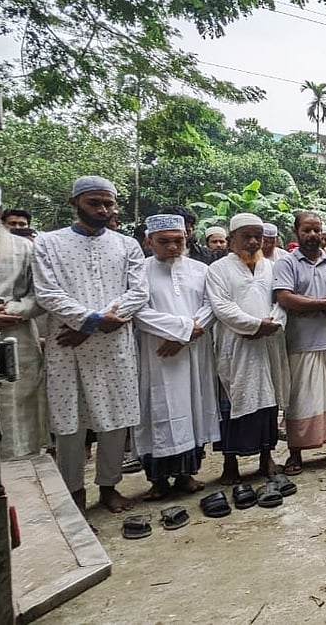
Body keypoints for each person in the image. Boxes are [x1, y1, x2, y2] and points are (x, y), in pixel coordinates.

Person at [33, 176, 148, 512]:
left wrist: (93, 325)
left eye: (108, 203)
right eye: (94, 203)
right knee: (70, 423)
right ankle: (73, 493)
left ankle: (109, 487)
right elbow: (47, 292)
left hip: (114, 345)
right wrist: (93, 321)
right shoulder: (48, 243)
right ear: (75, 203)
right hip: (68, 346)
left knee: (116, 419)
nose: (103, 210)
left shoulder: (126, 245)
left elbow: (138, 292)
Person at [132, 214, 220, 499]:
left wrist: (186, 336)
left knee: (193, 408)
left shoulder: (200, 270)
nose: (172, 247)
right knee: (158, 410)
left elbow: (211, 305)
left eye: (178, 241)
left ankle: (186, 475)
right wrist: (179, 330)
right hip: (157, 353)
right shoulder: (139, 271)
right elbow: (138, 311)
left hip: (193, 352)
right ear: (149, 241)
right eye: (164, 241)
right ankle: (158, 481)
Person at [205, 213, 290, 484]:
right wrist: (254, 325)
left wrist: (272, 323)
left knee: (268, 402)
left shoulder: (270, 266)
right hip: (236, 347)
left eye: (258, 236)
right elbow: (222, 307)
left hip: (268, 344)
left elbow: (281, 300)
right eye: (247, 236)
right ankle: (230, 464)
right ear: (232, 240)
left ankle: (267, 457)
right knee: (233, 401)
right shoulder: (218, 270)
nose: (254, 242)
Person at [273, 211, 326, 475]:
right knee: (299, 399)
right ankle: (295, 453)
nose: (312, 236)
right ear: (296, 232)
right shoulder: (287, 263)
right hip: (299, 342)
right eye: (306, 231)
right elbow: (284, 298)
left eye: (316, 231)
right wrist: (324, 304)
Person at [0, 182, 49, 459]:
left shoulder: (24, 248)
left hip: (17, 336)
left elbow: (41, 296)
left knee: (18, 408)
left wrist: (10, 311)